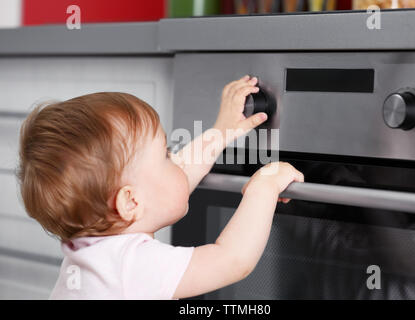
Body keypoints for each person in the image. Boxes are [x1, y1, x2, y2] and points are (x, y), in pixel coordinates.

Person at [17, 75, 304, 299]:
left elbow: (172, 181)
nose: (175, 161)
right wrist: (263, 189)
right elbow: (231, 260)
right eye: (166, 155)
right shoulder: (130, 266)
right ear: (130, 202)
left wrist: (222, 132)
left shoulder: (93, 255)